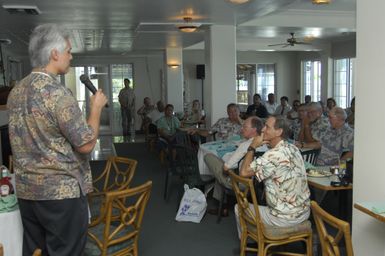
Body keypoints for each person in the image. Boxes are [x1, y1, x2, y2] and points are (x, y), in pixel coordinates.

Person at [7, 24, 108, 255]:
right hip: (61, 196)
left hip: (27, 192)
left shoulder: (16, 91)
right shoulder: (57, 94)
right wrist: (96, 109)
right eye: (69, 51)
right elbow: (86, 144)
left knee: (36, 251)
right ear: (54, 54)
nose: (71, 56)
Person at [238, 115, 310, 227]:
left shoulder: (273, 155)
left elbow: (243, 173)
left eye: (267, 127)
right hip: (304, 212)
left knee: (238, 208)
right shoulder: (293, 148)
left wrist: (252, 147)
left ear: (279, 132)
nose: (262, 130)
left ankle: (254, 242)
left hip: (284, 218)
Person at [204, 117, 264, 216]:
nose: (241, 129)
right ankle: (221, 204)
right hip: (259, 183)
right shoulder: (267, 144)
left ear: (254, 130)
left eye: (245, 126)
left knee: (210, 158)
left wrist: (226, 166)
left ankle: (221, 205)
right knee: (222, 169)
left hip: (242, 183)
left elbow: (226, 167)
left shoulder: (245, 146)